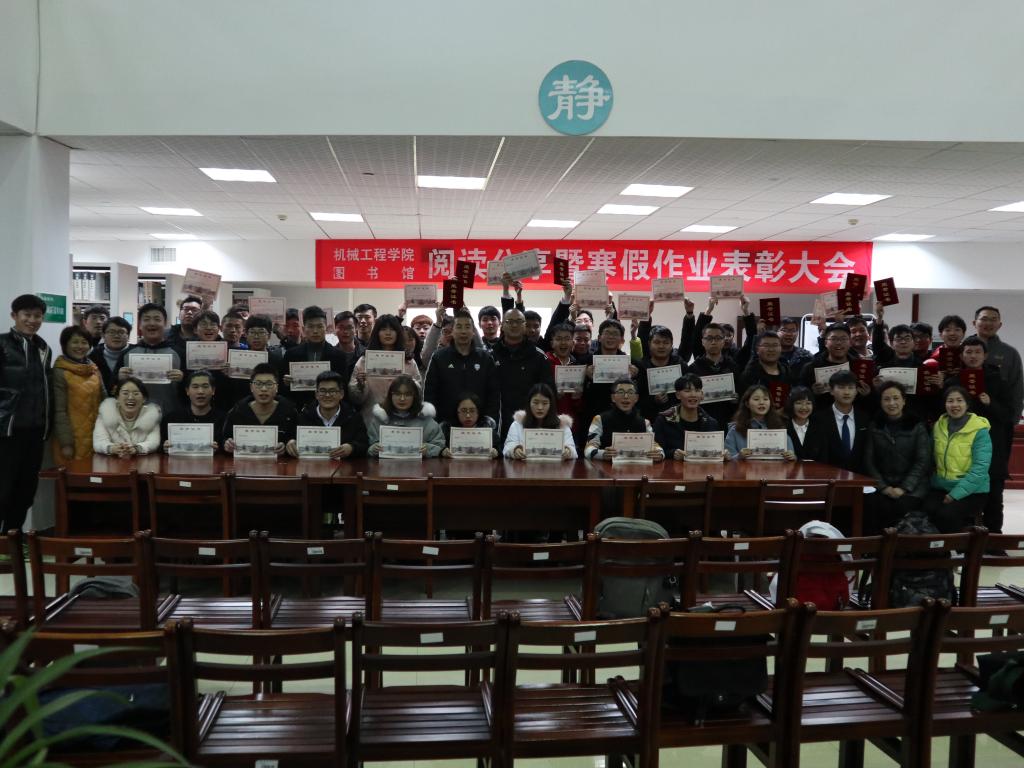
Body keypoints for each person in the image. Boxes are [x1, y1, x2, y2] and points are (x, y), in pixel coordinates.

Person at [953, 335, 1013, 534]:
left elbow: (1008, 415)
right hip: (961, 449)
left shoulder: (999, 380)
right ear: (961, 356)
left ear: (985, 355)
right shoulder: (954, 381)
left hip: (992, 446)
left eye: (977, 352)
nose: (973, 356)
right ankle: (964, 541)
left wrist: (990, 403)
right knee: (963, 495)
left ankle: (994, 540)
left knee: (994, 498)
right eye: (968, 352)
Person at [862, 381, 933, 533]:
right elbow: (869, 460)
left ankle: (896, 546)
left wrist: (903, 488)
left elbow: (922, 461)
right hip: (883, 484)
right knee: (872, 506)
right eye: (886, 399)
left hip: (913, 487)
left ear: (904, 401)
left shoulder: (917, 425)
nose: (891, 403)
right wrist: (884, 487)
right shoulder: (875, 425)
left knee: (899, 508)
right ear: (881, 402)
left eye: (896, 398)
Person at [925, 385, 992, 533]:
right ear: (945, 404)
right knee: (926, 508)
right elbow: (930, 458)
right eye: (950, 401)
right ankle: (934, 546)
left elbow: (980, 470)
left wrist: (955, 495)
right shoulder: (938, 426)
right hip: (941, 486)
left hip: (973, 490)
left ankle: (952, 544)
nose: (955, 405)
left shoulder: (979, 430)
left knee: (947, 515)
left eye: (959, 400)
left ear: (967, 404)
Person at [423, 308, 499, 426]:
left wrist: (489, 421)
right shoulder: (439, 357)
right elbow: (430, 392)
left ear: (473, 332)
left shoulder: (485, 358)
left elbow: (493, 394)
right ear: (452, 331)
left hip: (479, 425)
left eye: (467, 327)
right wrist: (434, 423)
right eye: (459, 327)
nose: (463, 331)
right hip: (446, 424)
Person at [491, 308, 555, 439]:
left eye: (519, 321)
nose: (514, 325)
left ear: (525, 325)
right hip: (498, 422)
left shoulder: (538, 357)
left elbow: (548, 392)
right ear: (502, 325)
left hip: (530, 422)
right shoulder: (490, 356)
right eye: (510, 321)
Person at [348, 314, 423, 426]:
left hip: (402, 421)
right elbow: (355, 398)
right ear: (376, 333)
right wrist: (360, 385)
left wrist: (409, 382)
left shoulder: (408, 361)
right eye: (383, 329)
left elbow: (419, 394)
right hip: (371, 420)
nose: (388, 333)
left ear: (398, 333)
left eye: (392, 329)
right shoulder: (365, 360)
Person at [115, 302, 184, 417]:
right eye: (146, 319)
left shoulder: (179, 353)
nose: (152, 323)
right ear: (140, 325)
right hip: (134, 417)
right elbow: (113, 389)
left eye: (157, 319)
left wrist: (183, 379)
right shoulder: (127, 354)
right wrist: (119, 379)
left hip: (169, 415)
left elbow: (191, 388)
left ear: (165, 324)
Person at [286, 370, 368, 460]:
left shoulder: (353, 417)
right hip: (310, 465)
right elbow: (289, 438)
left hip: (344, 466)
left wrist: (352, 448)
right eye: (322, 391)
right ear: (316, 394)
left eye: (332, 391)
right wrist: (290, 443)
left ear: (341, 394)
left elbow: (364, 444)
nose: (327, 395)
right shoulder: (303, 416)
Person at [283, 305, 353, 410]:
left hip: (329, 409)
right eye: (310, 327)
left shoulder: (338, 356)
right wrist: (286, 383)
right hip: (299, 409)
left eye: (320, 326)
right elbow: (283, 390)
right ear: (303, 329)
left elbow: (343, 388)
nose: (315, 331)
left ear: (326, 328)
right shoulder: (291, 354)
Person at [52, 325, 105, 462]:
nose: (80, 346)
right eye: (75, 342)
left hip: (97, 435)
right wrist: (66, 443)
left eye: (84, 342)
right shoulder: (60, 372)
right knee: (73, 472)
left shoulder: (93, 369)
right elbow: (59, 411)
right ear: (65, 345)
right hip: (73, 437)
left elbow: (104, 400)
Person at [223, 363, 297, 455]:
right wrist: (227, 444)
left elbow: (295, 439)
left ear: (277, 387)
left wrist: (288, 445)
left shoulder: (289, 412)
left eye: (269, 384)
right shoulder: (237, 411)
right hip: (244, 463)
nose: (264, 389)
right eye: (258, 384)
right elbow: (225, 438)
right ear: (251, 387)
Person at [584, 378, 664, 462]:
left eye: (630, 392)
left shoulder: (645, 423)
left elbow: (657, 447)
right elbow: (588, 449)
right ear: (613, 397)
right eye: (621, 392)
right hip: (607, 467)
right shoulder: (599, 419)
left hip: (637, 468)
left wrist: (660, 454)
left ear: (636, 398)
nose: (626, 396)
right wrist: (603, 454)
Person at [367, 374, 445, 458]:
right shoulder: (380, 419)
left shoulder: (426, 421)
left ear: (414, 396)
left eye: (407, 394)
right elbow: (367, 446)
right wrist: (373, 449)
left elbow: (441, 448)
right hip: (386, 465)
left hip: (420, 465)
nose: (402, 398)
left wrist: (428, 449)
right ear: (390, 395)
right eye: (397, 394)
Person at [653, 374, 724, 461]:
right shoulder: (663, 420)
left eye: (697, 390)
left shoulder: (711, 423)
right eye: (687, 391)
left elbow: (715, 453)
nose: (693, 395)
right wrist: (672, 453)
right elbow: (657, 451)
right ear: (678, 395)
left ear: (702, 395)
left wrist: (724, 455)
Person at [810, 370, 870, 472]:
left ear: (856, 391)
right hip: (828, 476)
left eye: (851, 387)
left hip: (859, 477)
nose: (846, 392)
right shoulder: (818, 419)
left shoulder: (864, 418)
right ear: (831, 390)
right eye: (841, 387)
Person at [503, 383, 577, 460]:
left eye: (545, 403)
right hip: (524, 466)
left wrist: (568, 451)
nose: (540, 407)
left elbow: (573, 451)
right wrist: (515, 450)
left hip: (554, 466)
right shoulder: (517, 424)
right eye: (535, 402)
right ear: (529, 403)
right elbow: (507, 448)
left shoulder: (562, 425)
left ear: (551, 405)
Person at [93, 377, 161, 457]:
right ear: (117, 397)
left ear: (144, 399)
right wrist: (112, 448)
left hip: (141, 462)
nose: (130, 397)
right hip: (111, 461)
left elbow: (153, 442)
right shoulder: (105, 414)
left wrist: (136, 449)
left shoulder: (152, 416)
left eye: (136, 393)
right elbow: (99, 443)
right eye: (125, 393)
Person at [725, 384, 796, 460]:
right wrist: (739, 456)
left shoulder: (778, 428)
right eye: (756, 399)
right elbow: (728, 460)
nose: (762, 402)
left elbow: (791, 458)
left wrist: (791, 456)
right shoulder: (735, 430)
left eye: (765, 399)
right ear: (747, 404)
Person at [160, 369, 226, 451]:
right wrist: (164, 447)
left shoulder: (224, 419)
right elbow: (160, 446)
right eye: (195, 387)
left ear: (213, 391)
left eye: (205, 386)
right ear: (187, 391)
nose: (200, 391)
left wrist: (220, 449)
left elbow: (227, 447)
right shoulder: (172, 418)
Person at [634, 324, 683, 422]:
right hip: (648, 421)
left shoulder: (680, 365)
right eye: (657, 342)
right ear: (649, 344)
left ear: (671, 345)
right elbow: (636, 398)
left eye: (666, 342)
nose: (661, 346)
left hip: (677, 421)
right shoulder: (641, 367)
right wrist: (653, 400)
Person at [440, 391, 499, 459]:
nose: (468, 415)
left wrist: (496, 451)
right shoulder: (447, 430)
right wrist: (443, 451)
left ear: (478, 412)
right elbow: (438, 447)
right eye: (463, 411)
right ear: (457, 412)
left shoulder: (487, 429)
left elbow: (499, 449)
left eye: (472, 411)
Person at [783, 386, 827, 462]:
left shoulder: (820, 427)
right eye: (799, 403)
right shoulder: (783, 427)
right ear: (791, 405)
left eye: (808, 403)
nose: (804, 407)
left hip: (816, 469)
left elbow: (824, 457)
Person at [89, 316, 132, 393]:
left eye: (121, 332)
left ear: (128, 336)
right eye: (111, 332)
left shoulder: (136, 353)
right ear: (103, 335)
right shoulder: (93, 356)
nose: (116, 336)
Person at [165, 294, 203, 358]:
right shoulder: (165, 336)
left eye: (194, 310)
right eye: (186, 309)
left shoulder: (206, 337)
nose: (189, 312)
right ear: (179, 314)